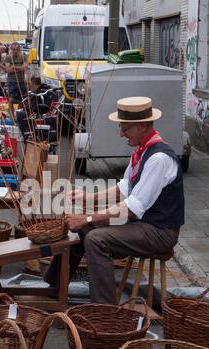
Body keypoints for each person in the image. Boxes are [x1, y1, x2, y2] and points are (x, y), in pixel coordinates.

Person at [44, 96, 185, 304]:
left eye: (125, 128)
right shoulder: (142, 151)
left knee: (96, 239)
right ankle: (52, 290)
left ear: (143, 125)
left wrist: (88, 217)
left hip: (159, 231)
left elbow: (132, 209)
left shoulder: (158, 158)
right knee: (82, 230)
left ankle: (105, 311)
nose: (121, 134)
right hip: (144, 224)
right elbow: (124, 188)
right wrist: (87, 199)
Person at [5, 42, 28, 118]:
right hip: (11, 81)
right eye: (14, 49)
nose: (15, 51)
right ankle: (12, 117)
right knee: (11, 99)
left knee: (22, 100)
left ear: (19, 50)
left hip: (21, 80)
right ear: (11, 49)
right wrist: (20, 68)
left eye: (17, 49)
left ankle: (18, 115)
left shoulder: (24, 57)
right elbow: (8, 70)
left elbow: (24, 67)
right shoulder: (8, 57)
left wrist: (14, 67)